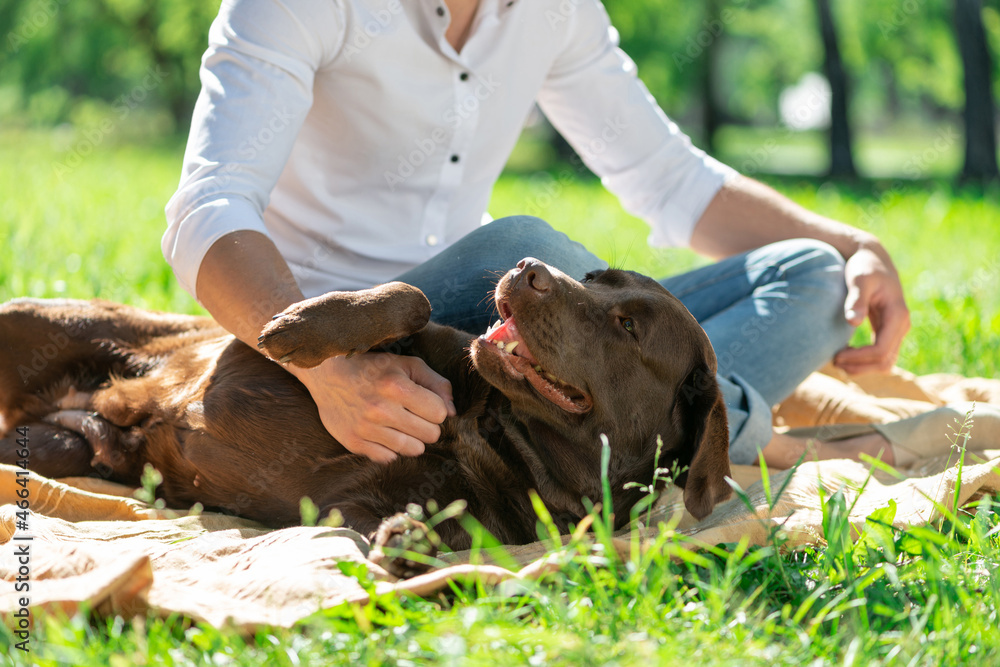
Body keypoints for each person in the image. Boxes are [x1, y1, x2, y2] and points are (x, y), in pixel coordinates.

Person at [163, 0, 910, 470]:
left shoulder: (555, 11)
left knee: (815, 277)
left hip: (503, 338)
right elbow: (210, 206)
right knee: (515, 249)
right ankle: (747, 437)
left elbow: (670, 179)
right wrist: (324, 370)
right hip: (348, 334)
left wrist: (856, 247)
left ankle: (687, 425)